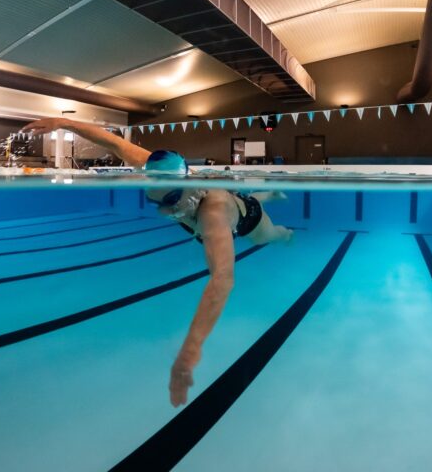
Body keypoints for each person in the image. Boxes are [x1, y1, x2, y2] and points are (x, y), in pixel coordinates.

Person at [21, 118, 292, 407]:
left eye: (173, 199)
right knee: (230, 200)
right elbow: (113, 142)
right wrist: (62, 123)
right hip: (222, 201)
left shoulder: (211, 216)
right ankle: (267, 194)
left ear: (184, 184)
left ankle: (281, 224)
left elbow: (222, 280)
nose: (167, 209)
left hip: (245, 219)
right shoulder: (157, 167)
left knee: (269, 237)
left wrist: (188, 354)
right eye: (158, 201)